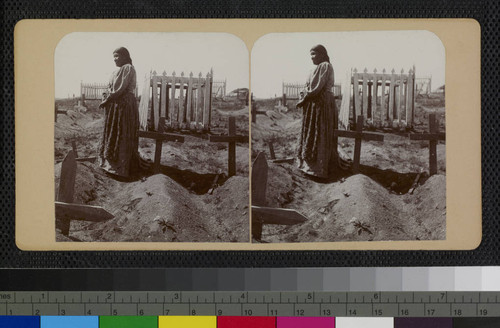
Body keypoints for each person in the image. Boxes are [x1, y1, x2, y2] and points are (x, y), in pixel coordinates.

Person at [296, 44, 350, 179]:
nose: (312, 57)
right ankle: (308, 166)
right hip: (314, 105)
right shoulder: (314, 69)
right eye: (311, 55)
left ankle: (320, 169)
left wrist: (305, 97)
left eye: (314, 54)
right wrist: (304, 95)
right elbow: (307, 86)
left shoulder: (325, 66)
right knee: (313, 133)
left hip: (322, 104)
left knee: (321, 133)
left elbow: (316, 88)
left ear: (321, 54)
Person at [99, 47, 147, 179]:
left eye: (117, 56)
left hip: (124, 106)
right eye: (113, 56)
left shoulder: (128, 68)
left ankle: (121, 169)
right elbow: (111, 88)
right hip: (116, 105)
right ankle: (110, 166)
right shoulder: (116, 71)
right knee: (114, 133)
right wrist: (107, 97)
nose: (115, 59)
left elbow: (119, 89)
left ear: (125, 57)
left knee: (123, 133)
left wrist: (107, 99)